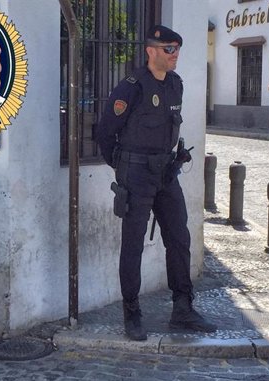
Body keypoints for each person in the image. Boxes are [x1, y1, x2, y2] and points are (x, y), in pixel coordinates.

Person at [96, 25, 217, 341]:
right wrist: (124, 169)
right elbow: (106, 134)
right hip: (137, 175)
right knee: (133, 243)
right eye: (168, 49)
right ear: (151, 51)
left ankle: (182, 308)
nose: (174, 54)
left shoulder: (175, 85)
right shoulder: (131, 87)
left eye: (177, 49)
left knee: (179, 237)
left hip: (166, 173)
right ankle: (132, 313)